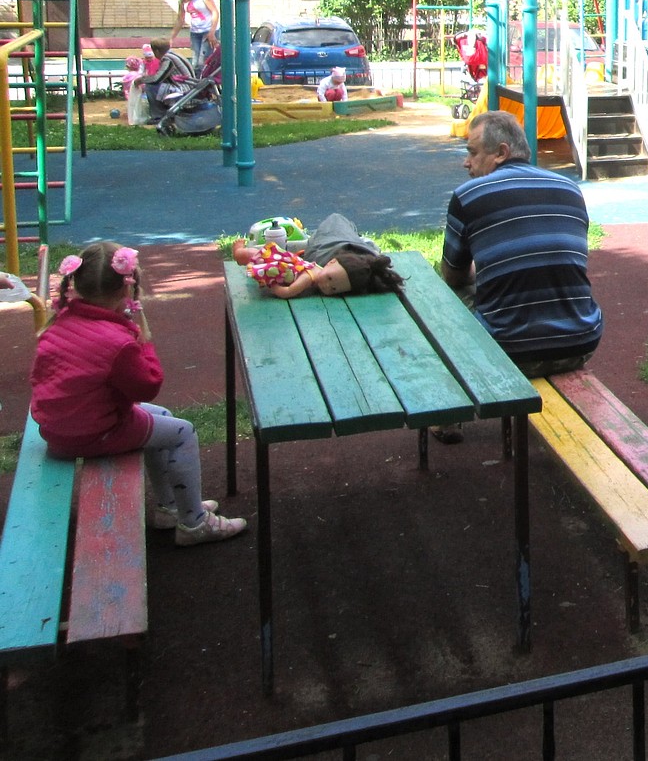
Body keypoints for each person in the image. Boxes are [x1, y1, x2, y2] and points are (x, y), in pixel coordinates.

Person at [30, 241, 247, 546]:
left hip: (59, 427)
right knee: (183, 433)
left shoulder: (60, 322)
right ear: (126, 288)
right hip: (92, 433)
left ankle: (170, 507)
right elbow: (148, 385)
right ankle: (194, 524)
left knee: (163, 420)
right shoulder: (117, 341)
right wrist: (143, 338)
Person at [441, 109, 603, 385]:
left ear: (501, 153)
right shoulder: (570, 189)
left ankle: (453, 394)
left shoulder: (468, 196)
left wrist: (483, 275)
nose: (466, 163)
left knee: (445, 292)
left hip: (508, 351)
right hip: (581, 342)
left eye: (473, 153)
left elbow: (453, 276)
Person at [230, 213, 405, 299]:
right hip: (330, 243)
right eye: (329, 278)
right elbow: (286, 292)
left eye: (333, 289)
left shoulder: (318, 275)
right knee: (259, 254)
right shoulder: (313, 273)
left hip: (329, 245)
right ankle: (239, 253)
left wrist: (272, 285)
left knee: (261, 255)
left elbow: (288, 291)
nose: (325, 285)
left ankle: (241, 253)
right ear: (331, 262)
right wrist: (273, 287)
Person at [168, 0, 218, 73]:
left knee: (202, 62)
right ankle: (196, 81)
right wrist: (171, 38)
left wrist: (212, 32)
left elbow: (215, 12)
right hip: (195, 32)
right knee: (195, 62)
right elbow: (180, 18)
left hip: (208, 30)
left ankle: (204, 81)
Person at [139, 39, 196, 122]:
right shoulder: (175, 55)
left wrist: (141, 80)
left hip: (184, 91)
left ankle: (158, 116)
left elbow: (157, 79)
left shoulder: (167, 59)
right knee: (160, 85)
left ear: (157, 51)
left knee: (150, 86)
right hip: (190, 89)